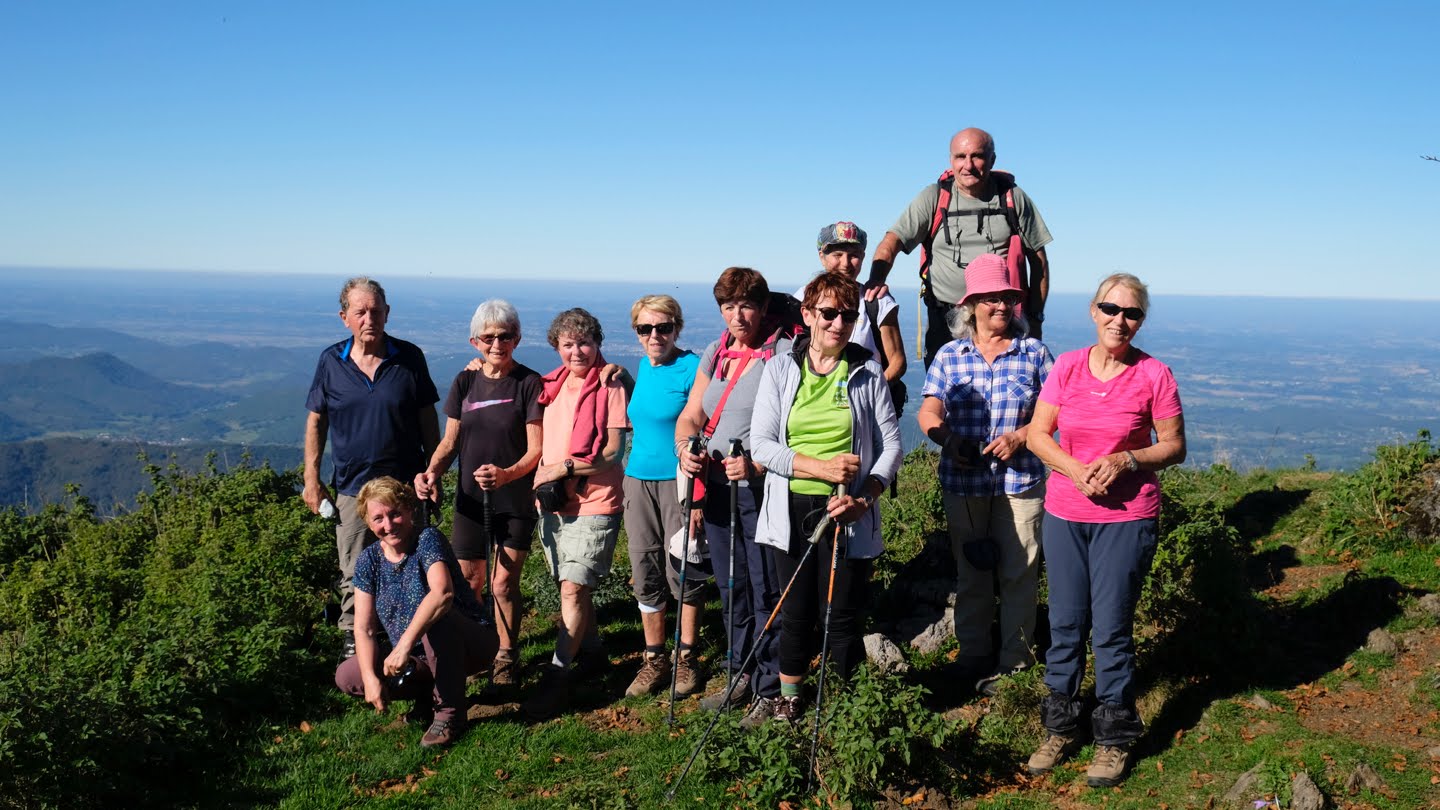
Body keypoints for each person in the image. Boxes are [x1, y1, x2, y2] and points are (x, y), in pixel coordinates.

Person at [1023, 273, 1185, 787]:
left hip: (1128, 517)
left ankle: (1113, 738)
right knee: (1066, 624)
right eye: (1110, 308)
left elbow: (1174, 446)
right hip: (1067, 513)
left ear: (1141, 321)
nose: (1120, 319)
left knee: (1112, 628)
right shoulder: (1068, 367)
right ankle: (1059, 727)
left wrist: (1129, 459)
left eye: (1131, 313)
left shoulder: (1154, 375)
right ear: (1094, 311)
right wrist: (1075, 471)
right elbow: (1037, 434)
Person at [750, 271, 902, 721]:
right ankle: (791, 698)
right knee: (795, 611)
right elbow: (761, 444)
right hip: (791, 506)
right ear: (808, 315)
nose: (839, 323)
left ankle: (844, 704)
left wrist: (865, 498)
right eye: (829, 313)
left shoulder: (866, 370)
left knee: (841, 615)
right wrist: (822, 467)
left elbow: (891, 444)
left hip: (847, 510)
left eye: (849, 315)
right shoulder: (780, 369)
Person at [916, 254, 1054, 696]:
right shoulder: (950, 356)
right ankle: (973, 656)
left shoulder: (1034, 353)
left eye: (1008, 298)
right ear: (970, 305)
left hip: (1022, 482)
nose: (1001, 306)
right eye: (991, 298)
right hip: (965, 483)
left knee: (1020, 572)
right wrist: (949, 440)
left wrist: (1020, 437)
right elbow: (929, 410)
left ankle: (1015, 663)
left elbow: (1056, 416)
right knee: (971, 571)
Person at [303, 276, 440, 658]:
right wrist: (311, 480)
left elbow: (427, 417)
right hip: (353, 487)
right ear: (344, 317)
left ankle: (415, 637)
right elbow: (316, 421)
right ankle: (356, 639)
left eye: (376, 311)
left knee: (414, 562)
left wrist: (434, 471)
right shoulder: (331, 361)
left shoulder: (409, 358)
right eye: (360, 312)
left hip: (405, 485)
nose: (369, 318)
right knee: (354, 567)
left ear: (387, 313)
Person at [675, 267, 787, 726]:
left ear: (762, 308)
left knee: (764, 586)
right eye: (728, 307)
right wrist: (685, 451)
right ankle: (739, 671)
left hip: (759, 488)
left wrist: (759, 464)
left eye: (745, 306)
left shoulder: (780, 354)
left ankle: (770, 686)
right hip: (718, 484)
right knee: (730, 583)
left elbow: (792, 425)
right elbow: (692, 416)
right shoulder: (715, 352)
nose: (737, 316)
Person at [414, 299, 542, 688]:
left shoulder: (529, 383)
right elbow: (451, 440)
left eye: (505, 335)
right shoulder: (464, 382)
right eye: (488, 337)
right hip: (470, 500)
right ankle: (474, 651)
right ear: (475, 342)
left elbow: (536, 449)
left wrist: (507, 475)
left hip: (514, 499)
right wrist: (431, 472)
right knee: (468, 583)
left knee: (503, 583)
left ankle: (505, 657)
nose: (497, 343)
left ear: (517, 338)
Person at [864, 127, 1054, 366]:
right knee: (943, 391)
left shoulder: (1012, 198)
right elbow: (892, 241)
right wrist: (875, 280)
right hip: (946, 315)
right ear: (951, 160)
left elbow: (1039, 263)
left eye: (977, 156)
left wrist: (1035, 318)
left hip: (999, 317)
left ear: (992, 159)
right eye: (960, 157)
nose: (968, 165)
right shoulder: (934, 197)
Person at [333, 477, 498, 748]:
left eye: (395, 513)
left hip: (470, 641)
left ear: (409, 510)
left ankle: (450, 713)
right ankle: (427, 697)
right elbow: (364, 629)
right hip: (417, 656)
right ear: (367, 522)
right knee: (349, 675)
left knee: (436, 616)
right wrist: (371, 678)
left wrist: (403, 647)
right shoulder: (369, 560)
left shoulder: (426, 539)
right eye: (378, 519)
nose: (388, 525)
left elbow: (442, 594)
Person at [522, 308, 631, 719]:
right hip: (553, 504)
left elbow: (613, 452)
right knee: (574, 588)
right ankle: (595, 653)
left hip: (596, 500)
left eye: (584, 342)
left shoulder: (609, 384)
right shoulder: (550, 385)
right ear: (557, 347)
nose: (576, 351)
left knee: (571, 588)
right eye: (567, 344)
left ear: (597, 343)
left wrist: (564, 467)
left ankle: (556, 677)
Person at [621, 295, 708, 699]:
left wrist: (698, 496)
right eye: (645, 328)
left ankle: (686, 658)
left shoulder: (693, 369)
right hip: (637, 480)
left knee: (684, 566)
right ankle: (654, 657)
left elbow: (702, 428)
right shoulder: (642, 367)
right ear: (637, 332)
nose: (655, 335)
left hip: (677, 483)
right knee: (645, 567)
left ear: (678, 327)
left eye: (663, 327)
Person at [799, 222, 906, 409]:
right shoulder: (804, 299)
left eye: (854, 255)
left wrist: (869, 392)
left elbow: (897, 361)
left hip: (866, 406)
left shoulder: (877, 301)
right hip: (811, 402)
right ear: (822, 257)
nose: (846, 263)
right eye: (837, 255)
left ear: (863, 257)